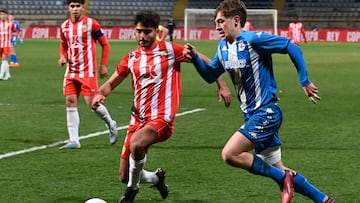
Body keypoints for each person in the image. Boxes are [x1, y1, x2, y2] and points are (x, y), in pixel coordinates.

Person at [183, 0, 335, 203]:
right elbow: (211, 75)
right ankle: (323, 199)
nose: (217, 26)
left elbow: (292, 46)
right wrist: (194, 59)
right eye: (215, 22)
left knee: (230, 154)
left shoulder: (253, 40)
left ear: (236, 20)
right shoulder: (222, 48)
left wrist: (304, 81)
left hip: (267, 112)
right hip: (252, 115)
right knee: (278, 169)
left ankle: (284, 178)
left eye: (221, 21)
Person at [91, 10, 232, 203]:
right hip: (137, 120)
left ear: (156, 31)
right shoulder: (131, 57)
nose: (142, 36)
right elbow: (111, 83)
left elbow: (205, 59)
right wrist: (99, 93)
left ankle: (131, 192)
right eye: (139, 31)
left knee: (136, 145)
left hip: (162, 119)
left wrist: (222, 85)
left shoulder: (170, 50)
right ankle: (156, 178)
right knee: (124, 175)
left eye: (147, 32)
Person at [57, 0, 118, 149]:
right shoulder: (64, 26)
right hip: (71, 71)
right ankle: (74, 140)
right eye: (72, 6)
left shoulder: (92, 24)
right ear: (68, 8)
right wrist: (62, 56)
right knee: (70, 101)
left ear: (83, 7)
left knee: (93, 104)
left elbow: (105, 44)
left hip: (88, 71)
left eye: (78, 6)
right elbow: (63, 44)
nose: (75, 9)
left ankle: (111, 124)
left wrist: (103, 64)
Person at [0, 9, 18, 80]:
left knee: (4, 58)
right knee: (4, 60)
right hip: (0, 44)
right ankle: (7, 74)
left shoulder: (10, 23)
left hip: (7, 44)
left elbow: (16, 31)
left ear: (6, 15)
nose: (2, 16)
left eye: (3, 14)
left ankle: (1, 75)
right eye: (1, 14)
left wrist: (11, 35)